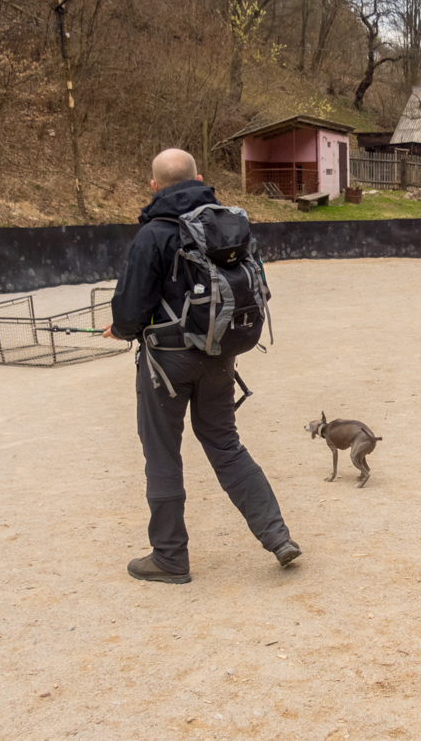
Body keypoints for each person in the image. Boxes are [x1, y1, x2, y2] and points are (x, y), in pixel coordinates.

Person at [104, 148, 300, 584]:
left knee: (163, 454)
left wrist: (119, 329)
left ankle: (170, 558)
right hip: (220, 356)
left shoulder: (154, 233)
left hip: (166, 364)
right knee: (226, 445)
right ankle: (277, 536)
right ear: (201, 178)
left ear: (154, 186)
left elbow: (130, 311)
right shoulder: (229, 223)